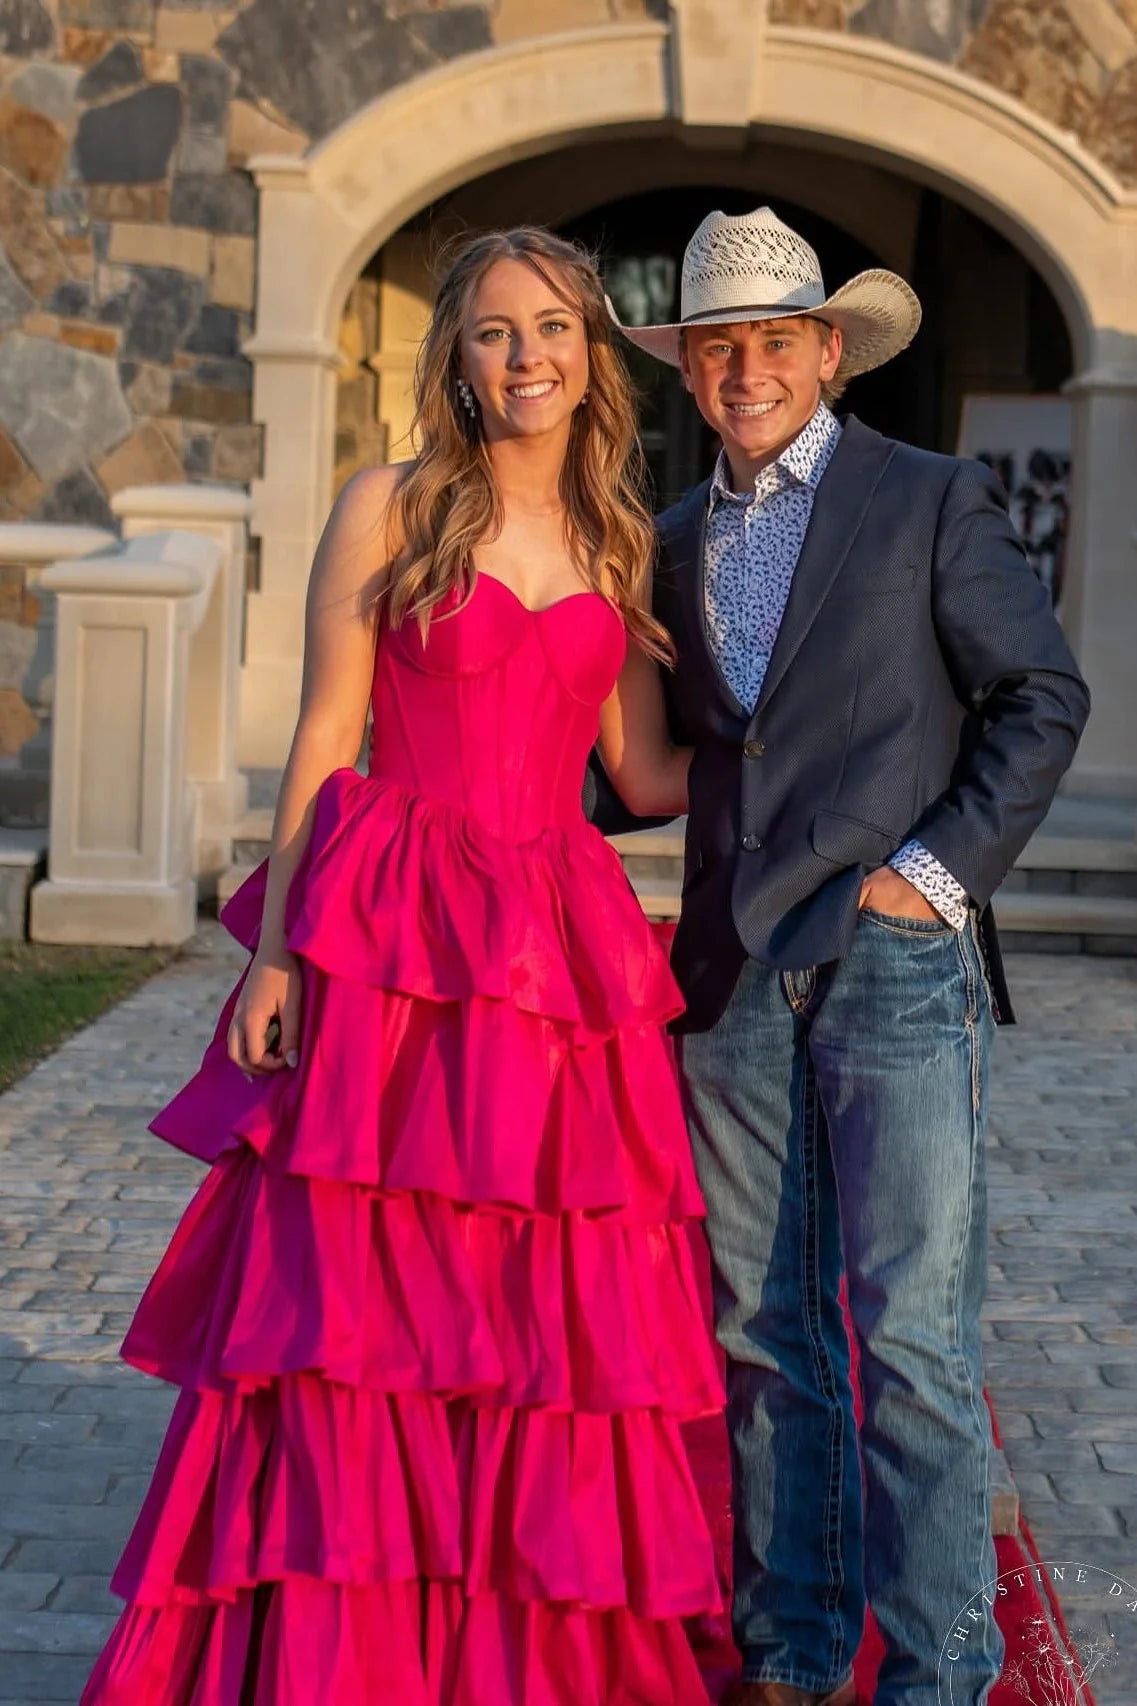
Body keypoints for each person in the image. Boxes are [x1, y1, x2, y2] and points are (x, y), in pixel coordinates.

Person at [79, 227, 727, 1706]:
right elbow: (323, 735)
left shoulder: (618, 540)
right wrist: (276, 956)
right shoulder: (390, 505)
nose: (528, 358)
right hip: (391, 935)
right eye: (497, 331)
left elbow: (637, 767)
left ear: (592, 355)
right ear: (454, 352)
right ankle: (350, 1638)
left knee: (536, 1307)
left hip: (555, 953)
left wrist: (824, 736)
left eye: (555, 328)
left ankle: (502, 1636)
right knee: (359, 1297)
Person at [599, 207, 1091, 1706]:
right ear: (689, 370)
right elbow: (644, 762)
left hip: (892, 963)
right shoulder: (668, 542)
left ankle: (935, 1675)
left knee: (912, 1338)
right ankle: (792, 1654)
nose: (744, 367)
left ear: (826, 350)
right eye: (715, 345)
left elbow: (1038, 695)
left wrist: (928, 877)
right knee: (762, 1332)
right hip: (729, 978)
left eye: (771, 339)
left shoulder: (927, 496)